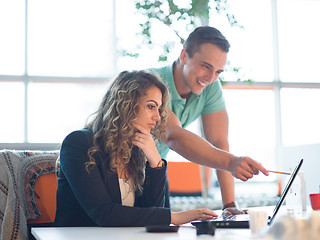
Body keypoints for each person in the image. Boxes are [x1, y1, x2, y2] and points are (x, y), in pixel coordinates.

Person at [54, 70, 217, 227]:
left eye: (159, 109)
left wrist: (155, 162)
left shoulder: (137, 150)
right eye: (151, 107)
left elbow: (151, 213)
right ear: (127, 105)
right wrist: (173, 217)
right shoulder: (78, 143)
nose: (158, 117)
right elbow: (104, 214)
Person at [149, 26, 269, 213]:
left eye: (218, 72)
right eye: (205, 66)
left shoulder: (210, 87)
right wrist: (231, 162)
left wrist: (229, 205)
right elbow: (173, 136)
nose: (211, 78)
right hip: (113, 171)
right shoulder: (151, 82)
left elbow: (219, 142)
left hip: (153, 172)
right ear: (183, 56)